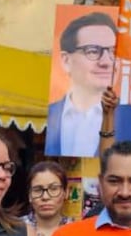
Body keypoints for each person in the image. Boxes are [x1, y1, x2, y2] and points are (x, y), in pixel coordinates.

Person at [47, 12, 118, 157]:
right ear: (66, 60)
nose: (106, 62)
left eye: (113, 52)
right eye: (92, 51)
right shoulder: (48, 116)